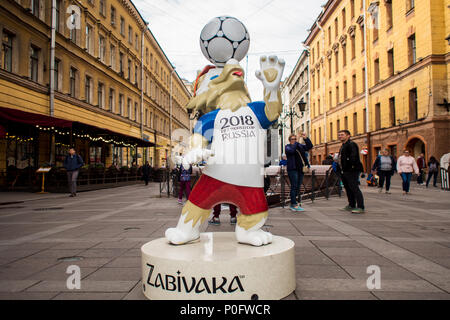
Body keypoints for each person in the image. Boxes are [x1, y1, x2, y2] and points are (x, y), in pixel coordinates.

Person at [337, 130, 365, 214]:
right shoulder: (343, 145)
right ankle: (351, 205)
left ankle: (360, 207)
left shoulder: (351, 144)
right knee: (348, 188)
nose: (340, 136)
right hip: (344, 170)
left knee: (354, 188)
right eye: (339, 135)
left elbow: (354, 157)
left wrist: (351, 167)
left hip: (351, 170)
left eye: (342, 135)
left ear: (348, 136)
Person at [285, 132, 313, 212]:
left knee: (298, 186)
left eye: (295, 139)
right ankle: (293, 204)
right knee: (294, 186)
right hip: (292, 169)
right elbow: (292, 151)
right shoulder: (288, 147)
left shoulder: (300, 146)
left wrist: (305, 138)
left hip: (301, 169)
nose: (293, 140)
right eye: (292, 139)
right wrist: (297, 142)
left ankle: (296, 202)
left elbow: (309, 146)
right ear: (289, 140)